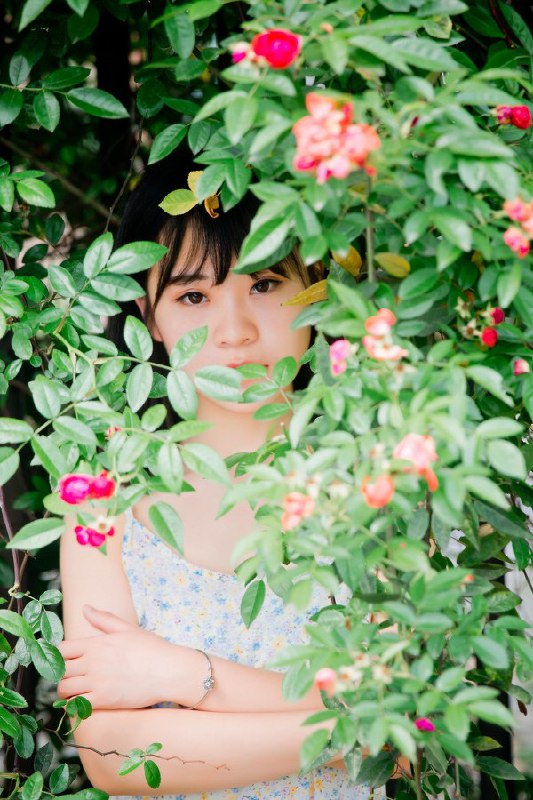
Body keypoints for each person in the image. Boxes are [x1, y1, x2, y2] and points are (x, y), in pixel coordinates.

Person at [57, 151, 380, 799]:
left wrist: (186, 676)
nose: (234, 332)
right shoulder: (104, 492)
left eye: (265, 284)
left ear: (317, 287)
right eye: (193, 296)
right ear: (149, 316)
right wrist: (350, 728)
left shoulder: (379, 477)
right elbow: (112, 757)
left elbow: (409, 722)